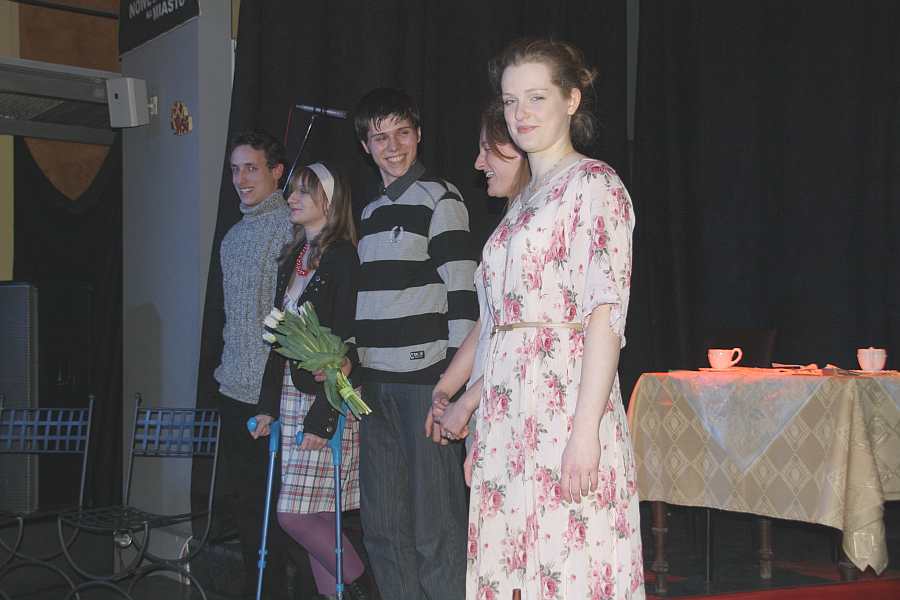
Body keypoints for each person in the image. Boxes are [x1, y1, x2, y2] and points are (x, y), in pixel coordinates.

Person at [442, 39, 646, 599]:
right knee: (511, 572)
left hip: (565, 410)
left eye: (536, 97)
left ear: (571, 100)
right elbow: (501, 328)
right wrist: (480, 426)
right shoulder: (523, 202)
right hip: (508, 417)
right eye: (510, 101)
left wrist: (585, 432)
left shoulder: (594, 185)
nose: (521, 114)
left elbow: (605, 315)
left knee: (572, 567)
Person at [352, 87, 478, 600]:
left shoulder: (440, 199)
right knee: (383, 529)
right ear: (365, 146)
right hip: (374, 389)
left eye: (402, 132)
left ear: (419, 134)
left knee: (436, 530)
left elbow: (464, 297)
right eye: (380, 137)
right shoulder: (368, 212)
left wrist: (451, 387)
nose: (393, 146)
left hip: (426, 387)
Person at [251, 162, 369, 600]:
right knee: (316, 514)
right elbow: (278, 339)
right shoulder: (295, 257)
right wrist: (267, 405)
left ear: (330, 200)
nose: (292, 197)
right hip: (291, 395)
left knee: (294, 515)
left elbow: (347, 343)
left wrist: (324, 416)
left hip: (325, 398)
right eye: (293, 190)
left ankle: (365, 587)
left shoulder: (343, 258)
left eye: (305, 190)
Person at [211, 131, 315, 598]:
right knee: (249, 512)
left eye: (251, 168)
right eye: (235, 170)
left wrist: (271, 396)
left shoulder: (290, 230)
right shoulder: (232, 237)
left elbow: (290, 319)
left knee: (286, 515)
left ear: (277, 172)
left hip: (270, 395)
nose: (241, 179)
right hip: (231, 390)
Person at [424, 104, 530, 482]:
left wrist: (467, 402)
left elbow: (531, 338)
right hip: (491, 401)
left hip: (522, 405)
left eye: (487, 149)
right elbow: (488, 324)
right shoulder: (510, 223)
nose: (478, 162)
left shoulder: (535, 227)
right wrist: (445, 390)